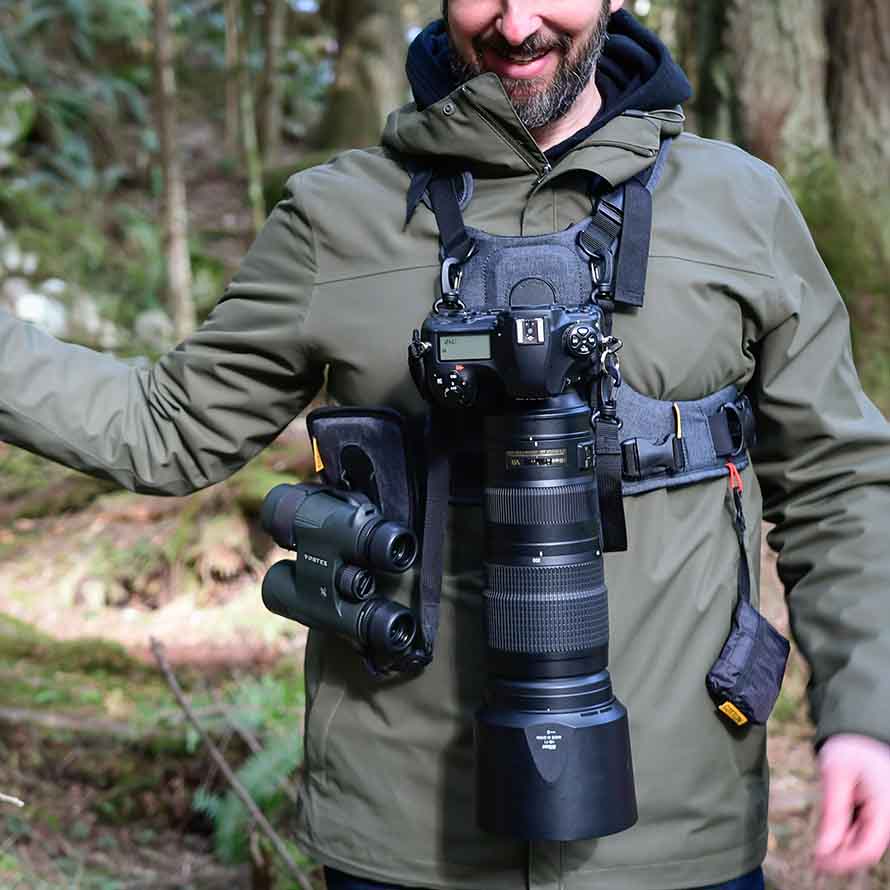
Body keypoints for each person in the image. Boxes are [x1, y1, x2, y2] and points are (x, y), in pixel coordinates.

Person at [2, 1, 890, 887]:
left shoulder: (740, 206)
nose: (514, 24)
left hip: (677, 826)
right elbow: (167, 426)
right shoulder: (337, 217)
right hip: (405, 833)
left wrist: (867, 711)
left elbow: (837, 477)